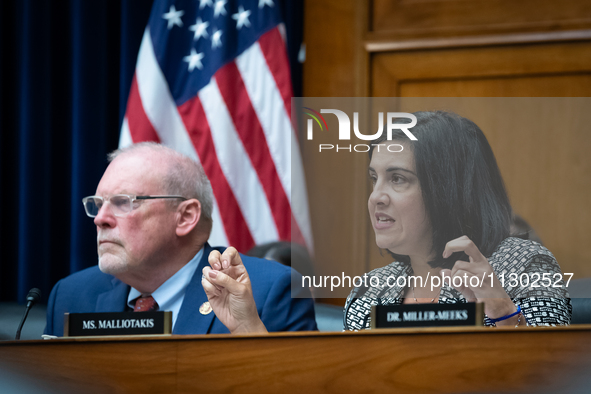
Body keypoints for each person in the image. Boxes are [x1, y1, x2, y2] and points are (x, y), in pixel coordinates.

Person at [44, 142, 317, 336]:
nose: (100, 219)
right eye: (97, 204)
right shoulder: (71, 295)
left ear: (186, 216)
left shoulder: (268, 292)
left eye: (123, 202)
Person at [344, 111, 571, 330]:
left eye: (398, 179)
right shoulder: (371, 290)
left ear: (447, 190)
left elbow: (550, 366)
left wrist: (505, 315)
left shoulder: (523, 266)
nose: (376, 197)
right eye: (375, 178)